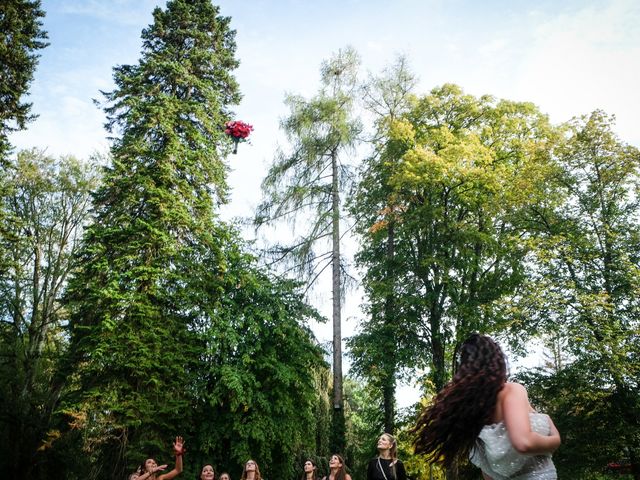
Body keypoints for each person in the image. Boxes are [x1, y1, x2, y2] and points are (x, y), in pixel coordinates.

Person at [411, 334, 561, 479]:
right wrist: (555, 440)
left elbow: (488, 471)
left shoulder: (473, 410)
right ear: (497, 361)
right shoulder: (511, 390)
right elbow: (523, 443)